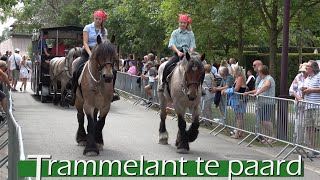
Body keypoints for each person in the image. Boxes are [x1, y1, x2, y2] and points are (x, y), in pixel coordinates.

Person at [68, 10, 119, 105]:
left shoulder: (104, 30)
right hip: (87, 51)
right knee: (77, 70)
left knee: (114, 71)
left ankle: (112, 91)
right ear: (94, 18)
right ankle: (72, 92)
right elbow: (85, 42)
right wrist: (90, 53)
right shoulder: (87, 27)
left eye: (99, 19)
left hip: (100, 53)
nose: (98, 20)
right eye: (96, 18)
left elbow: (104, 44)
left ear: (102, 20)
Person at [158, 14, 196, 92]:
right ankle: (163, 83)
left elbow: (192, 45)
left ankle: (200, 86)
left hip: (188, 55)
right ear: (179, 23)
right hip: (178, 53)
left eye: (184, 23)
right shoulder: (175, 33)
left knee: (198, 67)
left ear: (187, 23)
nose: (182, 24)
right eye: (181, 22)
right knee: (167, 65)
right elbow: (171, 44)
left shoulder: (191, 33)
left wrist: (190, 53)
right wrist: (178, 52)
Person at [245, 65, 275, 144]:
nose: (258, 74)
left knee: (266, 120)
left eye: (259, 72)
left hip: (268, 102)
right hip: (261, 102)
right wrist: (249, 92)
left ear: (262, 72)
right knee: (262, 121)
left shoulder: (269, 78)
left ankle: (272, 137)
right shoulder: (262, 80)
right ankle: (266, 137)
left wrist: (258, 92)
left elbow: (266, 86)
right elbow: (258, 89)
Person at [302, 60, 320, 158]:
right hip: (307, 106)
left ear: (313, 68)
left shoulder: (319, 76)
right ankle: (313, 149)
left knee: (318, 127)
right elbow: (305, 89)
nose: (306, 68)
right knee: (309, 128)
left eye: (308, 67)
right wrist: (303, 92)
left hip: (317, 106)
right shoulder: (307, 78)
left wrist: (311, 90)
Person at [225, 63, 247, 139]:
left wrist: (227, 91)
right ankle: (241, 132)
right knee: (239, 117)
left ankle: (237, 133)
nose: (232, 72)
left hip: (239, 100)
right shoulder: (237, 78)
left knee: (239, 117)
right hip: (237, 100)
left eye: (233, 70)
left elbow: (236, 89)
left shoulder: (240, 78)